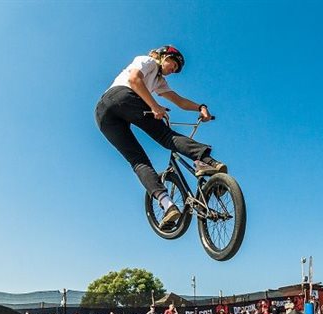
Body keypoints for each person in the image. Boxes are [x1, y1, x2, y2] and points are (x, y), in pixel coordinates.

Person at [95, 45, 226, 229]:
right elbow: (134, 79)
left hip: (104, 117)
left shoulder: (159, 82)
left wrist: (200, 107)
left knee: (138, 160)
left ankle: (167, 205)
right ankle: (206, 159)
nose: (174, 69)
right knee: (166, 136)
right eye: (174, 63)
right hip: (119, 96)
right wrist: (155, 106)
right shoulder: (147, 61)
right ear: (163, 55)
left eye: (176, 69)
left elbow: (179, 101)